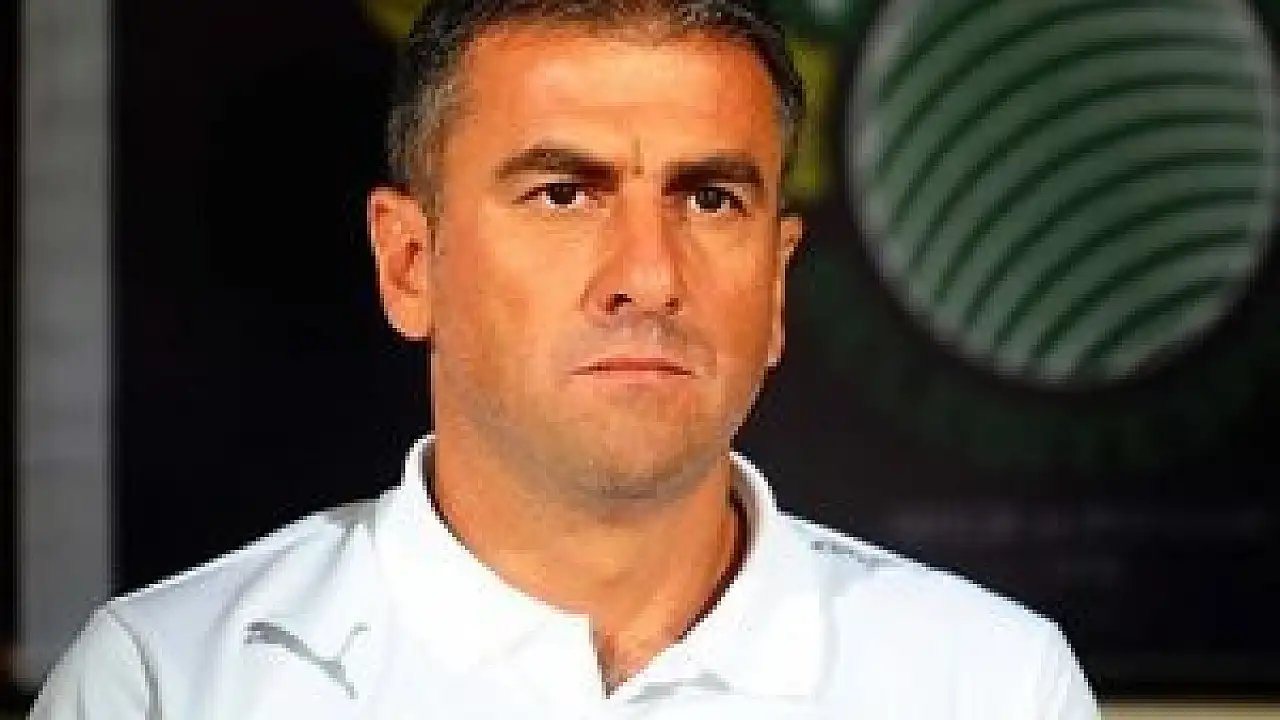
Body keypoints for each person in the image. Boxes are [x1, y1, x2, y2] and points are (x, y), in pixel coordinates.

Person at [31, 0, 1100, 717]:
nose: (649, 276)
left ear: (777, 283)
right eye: (562, 193)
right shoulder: (172, 683)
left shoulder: (987, 685)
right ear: (409, 262)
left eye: (709, 198)